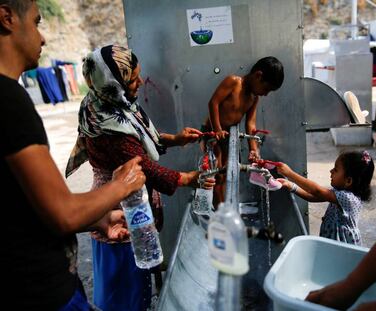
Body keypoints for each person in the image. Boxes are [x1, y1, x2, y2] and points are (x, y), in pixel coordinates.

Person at [0, 1, 146, 310]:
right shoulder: (8, 100)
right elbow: (63, 213)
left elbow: (22, 210)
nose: (43, 38)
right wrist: (122, 185)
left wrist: (98, 219)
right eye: (37, 23)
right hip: (42, 292)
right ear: (7, 17)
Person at [65, 45, 215, 311]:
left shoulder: (106, 102)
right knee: (123, 294)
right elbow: (145, 166)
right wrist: (191, 178)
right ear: (113, 83)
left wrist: (177, 139)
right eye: (132, 79)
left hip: (128, 204)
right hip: (117, 210)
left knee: (138, 283)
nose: (139, 83)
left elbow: (144, 140)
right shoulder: (111, 127)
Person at [305, 193, 376, 310]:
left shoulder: (346, 197)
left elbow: (317, 191)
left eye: (335, 172)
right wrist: (349, 286)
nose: (331, 173)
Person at [201, 56, 284, 205]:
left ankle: (225, 206)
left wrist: (254, 150)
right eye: (266, 89)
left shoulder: (254, 98)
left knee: (226, 173)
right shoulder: (233, 82)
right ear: (258, 75)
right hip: (213, 133)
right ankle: (219, 209)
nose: (265, 94)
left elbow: (251, 124)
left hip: (228, 136)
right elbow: (213, 103)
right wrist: (217, 130)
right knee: (216, 173)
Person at [275, 150, 374, 245]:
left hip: (344, 244)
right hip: (334, 241)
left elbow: (316, 190)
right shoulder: (338, 193)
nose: (331, 171)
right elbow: (312, 196)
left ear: (348, 181)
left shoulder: (349, 199)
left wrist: (290, 173)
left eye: (335, 170)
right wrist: (291, 186)